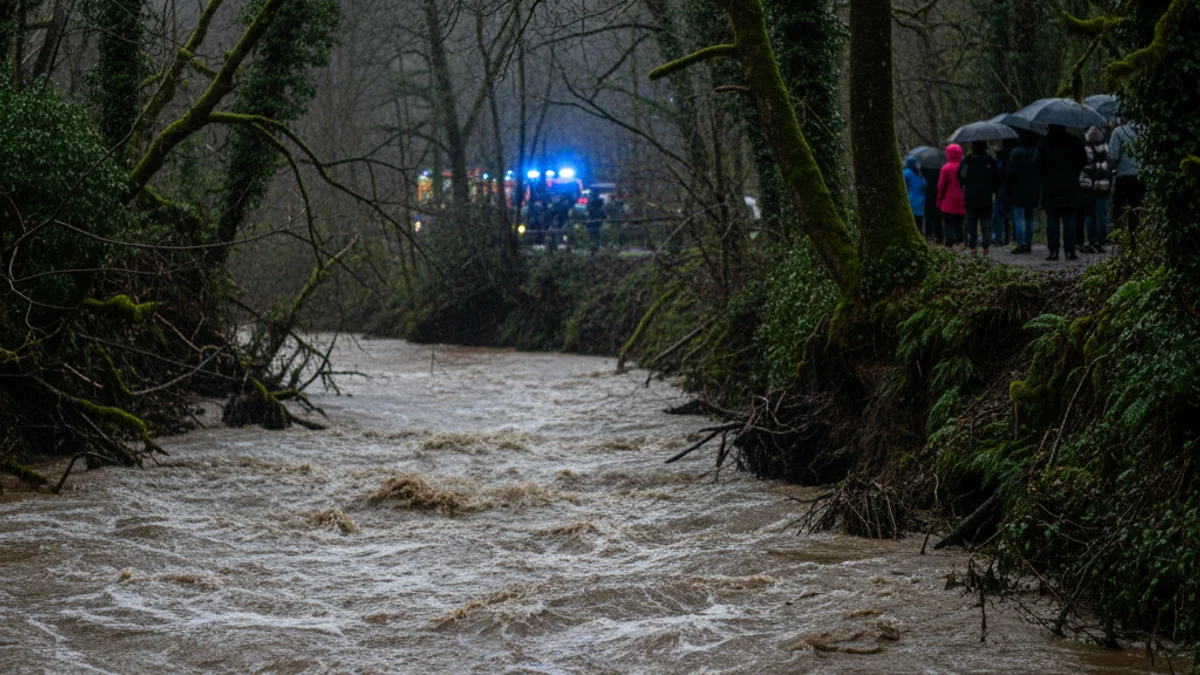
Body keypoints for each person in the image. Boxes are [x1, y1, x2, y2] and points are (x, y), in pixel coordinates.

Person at [1035, 124, 1088, 261]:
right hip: (1070, 185)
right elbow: (1083, 161)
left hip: (1050, 185)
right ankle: (1070, 251)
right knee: (1070, 218)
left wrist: (1044, 176)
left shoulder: (1044, 142)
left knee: (1052, 219)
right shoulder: (1075, 141)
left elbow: (1037, 163)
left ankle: (1053, 251)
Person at [957, 140, 999, 254]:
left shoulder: (968, 160)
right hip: (986, 196)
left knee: (971, 223)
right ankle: (986, 246)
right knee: (986, 222)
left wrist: (964, 184)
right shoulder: (989, 160)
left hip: (970, 196)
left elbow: (961, 175)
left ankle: (973, 246)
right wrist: (993, 188)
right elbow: (996, 176)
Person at [1109, 120, 1145, 250]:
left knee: (1118, 206)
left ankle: (1119, 237)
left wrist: (1110, 169)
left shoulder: (1118, 132)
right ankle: (1134, 237)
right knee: (1137, 206)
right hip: (1141, 174)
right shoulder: (1145, 130)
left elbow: (1113, 155)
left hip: (1123, 175)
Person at [1005, 131, 1040, 254]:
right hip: (1034, 189)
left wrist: (1008, 190)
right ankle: (1028, 243)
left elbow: (1010, 173)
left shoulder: (1015, 153)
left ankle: (1022, 243)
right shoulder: (1037, 151)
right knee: (1030, 218)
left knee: (1019, 217)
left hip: (1018, 190)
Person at [1078, 125, 1111, 253]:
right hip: (1103, 184)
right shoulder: (1105, 147)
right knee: (1102, 213)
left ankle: (1092, 239)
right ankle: (1103, 239)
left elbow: (1084, 166)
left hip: (1089, 186)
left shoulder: (1086, 148)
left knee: (1090, 214)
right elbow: (1109, 164)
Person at [938, 143, 966, 249]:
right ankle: (960, 242)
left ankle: (950, 241)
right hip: (962, 199)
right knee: (959, 223)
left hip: (948, 200)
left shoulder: (946, 168)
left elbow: (941, 186)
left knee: (948, 223)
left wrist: (939, 200)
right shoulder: (963, 167)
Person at [992, 138, 1018, 245]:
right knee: (1015, 214)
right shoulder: (1017, 152)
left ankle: (999, 237)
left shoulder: (1003, 156)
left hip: (1003, 187)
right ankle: (1017, 238)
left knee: (999, 213)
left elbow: (998, 172)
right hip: (1016, 188)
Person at [904, 156, 927, 232]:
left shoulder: (906, 173)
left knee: (911, 221)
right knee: (919, 222)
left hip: (911, 200)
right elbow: (925, 184)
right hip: (920, 201)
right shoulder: (918, 173)